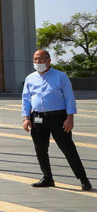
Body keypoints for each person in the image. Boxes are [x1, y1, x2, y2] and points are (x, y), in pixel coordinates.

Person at [21, 49, 92, 191]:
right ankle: (47, 178)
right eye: (35, 60)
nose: (37, 62)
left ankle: (83, 179)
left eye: (40, 59)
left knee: (68, 149)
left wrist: (70, 118)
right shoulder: (30, 78)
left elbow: (69, 98)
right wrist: (26, 118)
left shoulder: (60, 76)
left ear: (49, 61)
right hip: (38, 118)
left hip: (58, 118)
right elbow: (26, 99)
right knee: (40, 149)